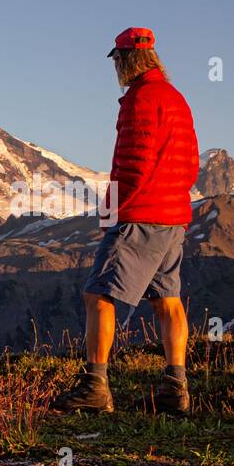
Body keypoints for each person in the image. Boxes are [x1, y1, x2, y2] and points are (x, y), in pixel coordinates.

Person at [53, 27, 199, 415]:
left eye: (116, 61)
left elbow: (131, 165)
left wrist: (112, 212)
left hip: (140, 215)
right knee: (168, 301)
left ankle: (95, 386)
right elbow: (191, 163)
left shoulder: (139, 99)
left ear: (124, 60)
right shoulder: (177, 99)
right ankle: (175, 389)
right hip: (173, 217)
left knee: (98, 295)